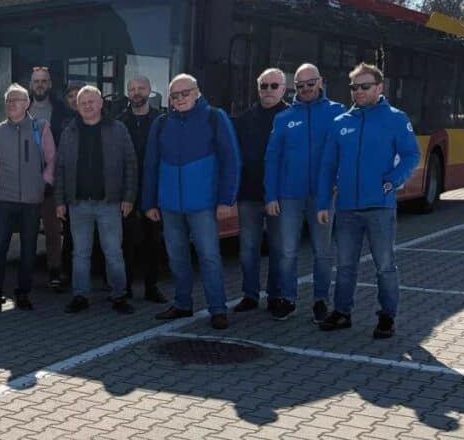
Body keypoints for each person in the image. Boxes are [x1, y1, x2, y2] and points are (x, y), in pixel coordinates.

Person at [317, 63, 419, 339]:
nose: (358, 91)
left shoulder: (396, 119)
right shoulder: (341, 123)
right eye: (354, 87)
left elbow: (411, 154)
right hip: (347, 208)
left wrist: (392, 181)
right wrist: (323, 203)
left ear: (379, 88)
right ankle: (341, 313)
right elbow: (328, 165)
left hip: (380, 208)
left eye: (364, 86)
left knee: (384, 266)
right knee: (345, 266)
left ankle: (387, 317)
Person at [143, 74, 240, 330]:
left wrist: (226, 200)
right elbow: (150, 164)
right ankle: (182, 303)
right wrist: (149, 202)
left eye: (185, 93)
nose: (180, 98)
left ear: (197, 92)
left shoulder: (214, 117)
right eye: (174, 95)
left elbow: (231, 160)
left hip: (204, 205)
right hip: (170, 205)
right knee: (177, 257)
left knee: (209, 257)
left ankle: (217, 309)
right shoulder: (162, 123)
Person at [264, 63, 346, 322]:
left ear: (320, 82)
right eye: (300, 85)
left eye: (311, 83)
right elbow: (272, 159)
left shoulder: (337, 113)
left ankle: (321, 300)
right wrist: (270, 196)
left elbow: (346, 152)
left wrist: (338, 182)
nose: (306, 89)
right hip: (289, 196)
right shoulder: (284, 118)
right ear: (294, 87)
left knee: (323, 251)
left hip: (323, 197)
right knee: (287, 250)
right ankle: (288, 299)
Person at [55, 86, 137, 315]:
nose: (88, 106)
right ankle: (80, 295)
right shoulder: (69, 131)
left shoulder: (118, 129)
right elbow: (60, 169)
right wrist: (60, 201)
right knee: (80, 253)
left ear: (101, 103)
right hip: (78, 203)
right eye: (83, 103)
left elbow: (130, 165)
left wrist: (129, 197)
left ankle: (119, 295)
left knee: (113, 252)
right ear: (77, 107)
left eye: (92, 101)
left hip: (109, 202)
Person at [0, 84, 56, 313]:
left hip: (32, 201)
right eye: (8, 101)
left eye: (16, 100)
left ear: (27, 103)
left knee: (28, 250)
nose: (11, 104)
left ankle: (23, 294)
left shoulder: (40, 127)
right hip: (4, 199)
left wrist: (43, 182)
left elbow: (52, 160)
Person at [232, 69, 289, 316]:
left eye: (273, 86)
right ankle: (250, 295)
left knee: (278, 249)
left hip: (280, 196)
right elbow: (235, 157)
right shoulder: (245, 119)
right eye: (263, 86)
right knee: (248, 249)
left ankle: (275, 296)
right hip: (249, 194)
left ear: (284, 89)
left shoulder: (292, 117)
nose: (268, 90)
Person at [117, 75, 167, 303]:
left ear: (150, 90)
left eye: (141, 88)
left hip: (153, 188)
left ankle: (151, 287)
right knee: (125, 240)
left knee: (153, 240)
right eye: (132, 89)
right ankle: (124, 287)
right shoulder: (119, 121)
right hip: (126, 189)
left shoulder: (162, 120)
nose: (136, 92)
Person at [27, 66, 74, 291]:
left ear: (50, 84)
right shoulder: (19, 108)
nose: (40, 85)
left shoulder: (63, 112)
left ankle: (55, 270)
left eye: (44, 81)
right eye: (36, 81)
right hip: (24, 181)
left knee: (54, 230)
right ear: (30, 84)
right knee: (28, 229)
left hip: (53, 181)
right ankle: (26, 274)